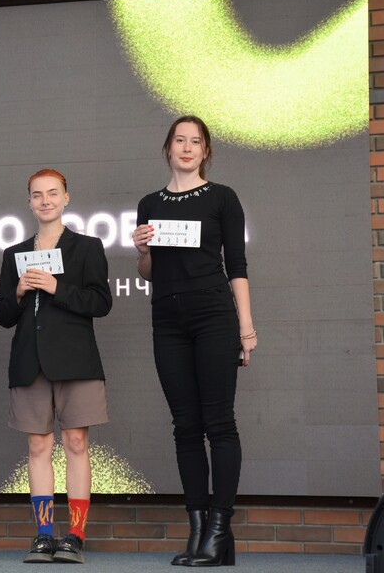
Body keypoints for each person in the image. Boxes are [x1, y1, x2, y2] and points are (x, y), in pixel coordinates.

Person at [133, 116, 256, 567]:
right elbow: (149, 272)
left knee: (218, 422)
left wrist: (246, 328)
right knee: (185, 426)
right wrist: (142, 250)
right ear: (167, 148)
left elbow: (237, 266)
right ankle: (199, 530)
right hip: (166, 319)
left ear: (205, 151)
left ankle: (220, 530)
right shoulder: (149, 203)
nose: (187, 148)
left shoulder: (223, 197)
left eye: (196, 142)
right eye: (180, 140)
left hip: (213, 315)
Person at [0, 169, 112, 564]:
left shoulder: (87, 247)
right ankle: (44, 534)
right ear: (29, 202)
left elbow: (101, 302)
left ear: (66, 198)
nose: (45, 200)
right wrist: (17, 291)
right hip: (30, 361)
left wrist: (56, 288)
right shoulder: (14, 254)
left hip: (76, 360)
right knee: (37, 445)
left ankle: (75, 535)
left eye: (52, 193)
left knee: (76, 442)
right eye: (37, 195)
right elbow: (4, 316)